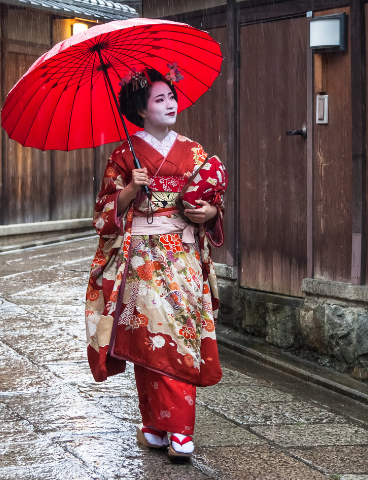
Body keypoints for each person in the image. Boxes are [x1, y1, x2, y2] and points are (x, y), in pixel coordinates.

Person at [84, 67, 225, 459]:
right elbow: (102, 216)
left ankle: (177, 427)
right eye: (159, 99)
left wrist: (209, 211)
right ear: (141, 110)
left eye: (171, 97)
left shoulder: (193, 151)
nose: (170, 104)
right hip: (143, 257)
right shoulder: (123, 155)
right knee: (150, 336)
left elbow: (213, 203)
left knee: (180, 333)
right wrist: (129, 191)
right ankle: (155, 425)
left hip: (183, 255)